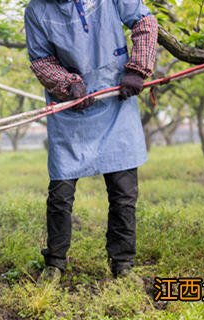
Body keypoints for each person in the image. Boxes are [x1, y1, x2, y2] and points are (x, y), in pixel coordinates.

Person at [23, 0, 158, 282]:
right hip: (71, 106)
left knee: (123, 192)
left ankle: (123, 264)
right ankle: (55, 263)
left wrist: (137, 69)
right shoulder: (36, 10)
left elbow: (144, 23)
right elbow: (41, 61)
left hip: (115, 99)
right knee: (60, 192)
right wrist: (68, 84)